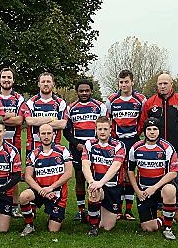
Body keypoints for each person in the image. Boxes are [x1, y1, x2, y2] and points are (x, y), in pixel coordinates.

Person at [140, 73, 178, 223]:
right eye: (160, 84)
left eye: (166, 83)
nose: (163, 86)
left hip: (177, 149)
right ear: (157, 85)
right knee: (158, 179)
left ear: (172, 84)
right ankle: (160, 209)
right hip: (156, 150)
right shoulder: (150, 103)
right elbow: (143, 123)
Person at [128, 117, 178, 240]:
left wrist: (154, 187)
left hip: (160, 188)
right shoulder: (136, 148)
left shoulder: (167, 148)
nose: (152, 132)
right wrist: (138, 191)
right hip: (144, 191)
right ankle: (164, 218)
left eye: (155, 129)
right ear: (144, 131)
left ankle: (168, 228)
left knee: (170, 190)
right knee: (148, 228)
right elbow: (130, 171)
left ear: (159, 131)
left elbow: (173, 173)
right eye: (149, 129)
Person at [105, 70, 147, 220]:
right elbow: (107, 119)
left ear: (132, 82)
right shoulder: (112, 99)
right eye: (121, 82)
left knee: (130, 174)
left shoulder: (140, 99)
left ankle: (128, 210)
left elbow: (143, 119)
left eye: (126, 82)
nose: (124, 84)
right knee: (117, 175)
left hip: (133, 140)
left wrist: (138, 134)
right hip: (117, 141)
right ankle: (117, 209)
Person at [63, 78, 106, 222]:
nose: (84, 93)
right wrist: (76, 144)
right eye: (81, 91)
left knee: (95, 177)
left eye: (87, 90)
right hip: (78, 148)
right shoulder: (71, 108)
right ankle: (81, 210)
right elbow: (67, 131)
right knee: (80, 177)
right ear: (76, 92)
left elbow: (103, 128)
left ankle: (95, 207)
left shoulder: (100, 106)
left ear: (91, 91)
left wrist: (96, 143)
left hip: (95, 147)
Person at [19, 124, 73, 237]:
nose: (46, 136)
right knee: (24, 196)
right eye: (43, 133)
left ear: (54, 134)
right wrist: (41, 190)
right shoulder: (34, 154)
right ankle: (29, 225)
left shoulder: (63, 151)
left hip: (57, 193)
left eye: (49, 133)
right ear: (38, 135)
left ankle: (51, 215)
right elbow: (28, 177)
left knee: (53, 230)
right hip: (40, 190)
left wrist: (51, 188)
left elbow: (69, 173)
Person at [81, 116, 125, 237]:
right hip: (97, 186)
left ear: (110, 130)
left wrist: (101, 182)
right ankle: (93, 226)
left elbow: (115, 166)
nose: (102, 132)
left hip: (113, 187)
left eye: (105, 129)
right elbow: (85, 164)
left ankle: (89, 215)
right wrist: (91, 182)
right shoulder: (90, 144)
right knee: (94, 192)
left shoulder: (118, 145)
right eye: (99, 129)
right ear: (95, 130)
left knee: (107, 227)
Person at [0, 68, 25, 218]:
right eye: (4, 77)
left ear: (13, 80)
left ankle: (14, 206)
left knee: (15, 176)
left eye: (9, 77)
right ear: (0, 80)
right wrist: (8, 116)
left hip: (14, 142)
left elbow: (19, 120)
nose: (6, 80)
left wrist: (0, 117)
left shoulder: (18, 98)